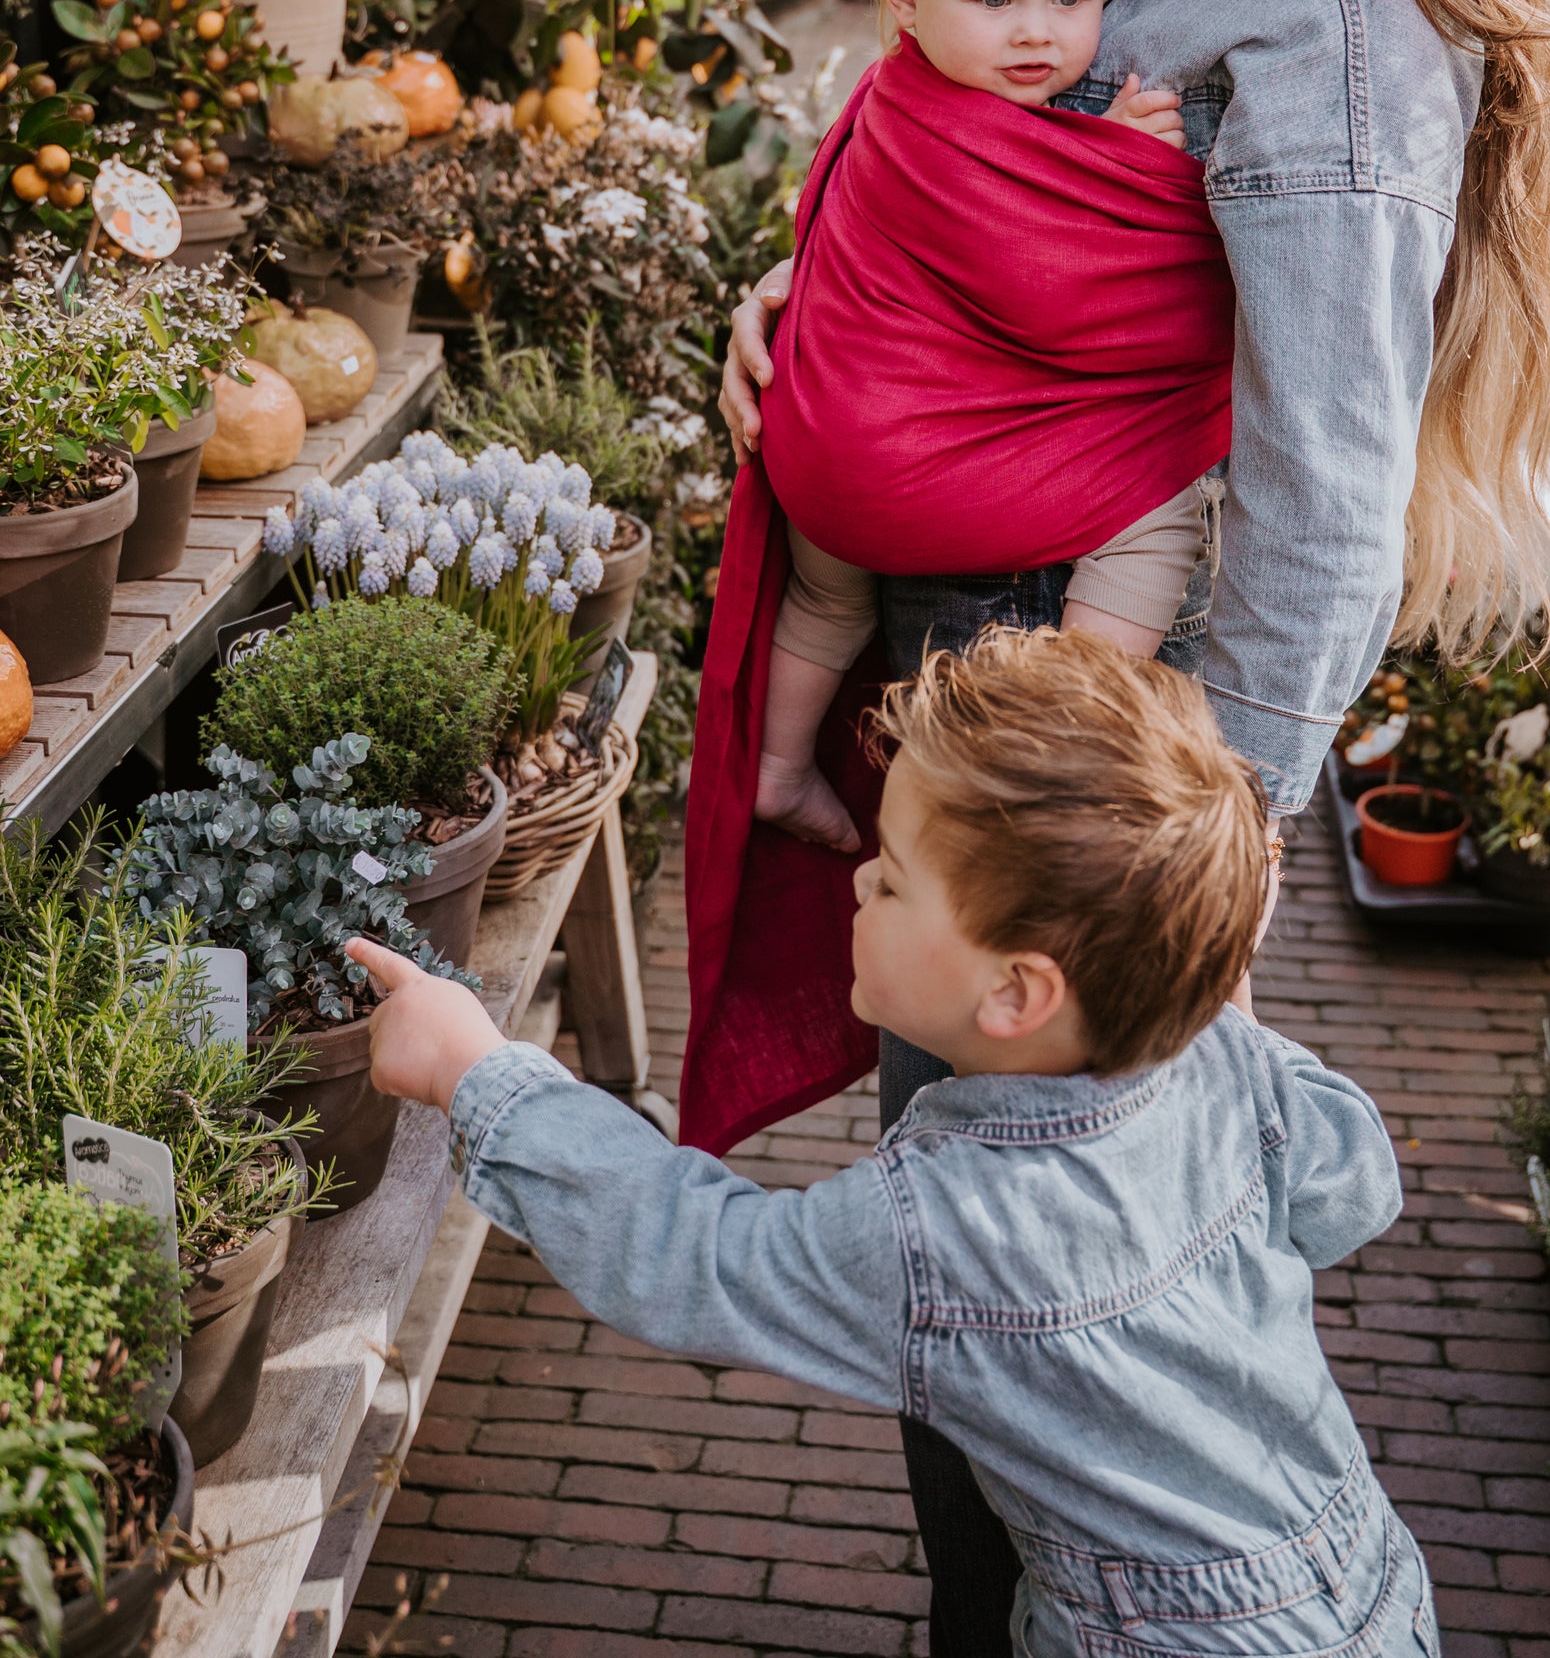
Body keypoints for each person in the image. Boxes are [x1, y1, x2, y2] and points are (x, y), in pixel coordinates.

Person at [719, 0, 1550, 1653]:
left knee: (1018, 1370)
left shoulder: (1337, 39)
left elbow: (1314, 513)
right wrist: (817, 323)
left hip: (1076, 717)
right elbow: (960, 181)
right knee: (967, 1328)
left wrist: (1160, 879)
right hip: (971, 654)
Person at [346, 629, 1440, 1658]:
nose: (862, 879)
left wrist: (477, 1073)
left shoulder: (945, 1229)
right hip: (1375, 1589)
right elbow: (1354, 1187)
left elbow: (697, 1253)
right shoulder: (1219, 1064)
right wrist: (1215, 994)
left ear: (1015, 992)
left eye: (895, 876)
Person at [757, 0, 1209, 858]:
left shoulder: (884, 101)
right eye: (997, 1)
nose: (1038, 37)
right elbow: (1054, 284)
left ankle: (779, 768)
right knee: (1158, 512)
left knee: (827, 606)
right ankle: (1076, 706)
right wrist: (1131, 169)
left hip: (828, 456)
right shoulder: (960, 132)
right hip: (913, 477)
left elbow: (830, 238)